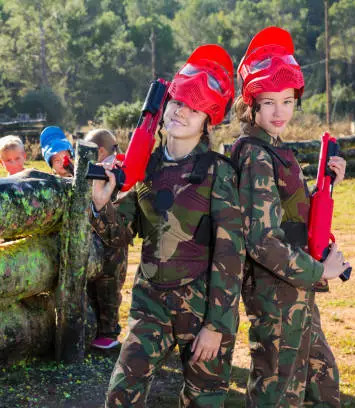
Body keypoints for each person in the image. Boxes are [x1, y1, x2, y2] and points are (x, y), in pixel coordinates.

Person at [91, 44, 245, 407]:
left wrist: (216, 326)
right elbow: (120, 232)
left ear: (207, 120)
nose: (181, 112)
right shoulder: (145, 167)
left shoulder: (217, 172)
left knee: (203, 400)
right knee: (120, 395)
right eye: (177, 103)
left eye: (194, 108)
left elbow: (231, 253)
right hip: (151, 302)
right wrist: (101, 204)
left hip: (203, 305)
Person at [231, 26, 349, 407]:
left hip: (294, 288)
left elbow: (286, 212)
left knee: (321, 380)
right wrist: (321, 271)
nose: (280, 111)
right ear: (251, 105)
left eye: (287, 101)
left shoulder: (274, 149)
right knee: (279, 391)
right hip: (276, 291)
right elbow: (262, 241)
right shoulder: (255, 154)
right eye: (269, 103)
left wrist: (325, 187)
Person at [83, 129, 128, 350]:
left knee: (108, 288)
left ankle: (108, 333)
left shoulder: (111, 169)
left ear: (99, 151)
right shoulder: (115, 165)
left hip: (113, 244)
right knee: (102, 287)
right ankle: (103, 332)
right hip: (106, 239)